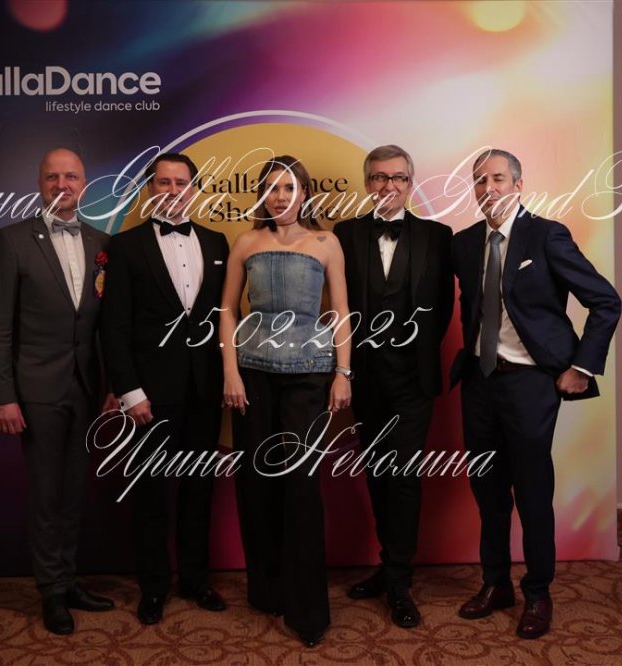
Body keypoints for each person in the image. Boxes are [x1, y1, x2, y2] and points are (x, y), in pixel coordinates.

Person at [450, 149, 622, 639]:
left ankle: (538, 592)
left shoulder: (546, 236)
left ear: (518, 184)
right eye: (479, 180)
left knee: (531, 491)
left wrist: (581, 367)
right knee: (487, 492)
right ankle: (495, 583)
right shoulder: (464, 243)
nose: (488, 189)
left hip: (529, 383)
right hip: (480, 382)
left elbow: (606, 301)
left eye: (498, 179)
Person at [219, 155, 352, 647]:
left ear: (304, 192)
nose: (280, 197)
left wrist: (343, 374)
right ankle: (267, 590)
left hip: (309, 377)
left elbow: (341, 312)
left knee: (301, 488)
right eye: (271, 188)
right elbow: (227, 310)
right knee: (257, 486)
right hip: (252, 377)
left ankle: (308, 610)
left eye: (289, 187)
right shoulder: (246, 242)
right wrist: (230, 371)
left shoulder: (326, 243)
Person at [0, 148, 115, 635]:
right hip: (36, 390)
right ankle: (51, 592)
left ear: (84, 183)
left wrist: (111, 386)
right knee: (46, 493)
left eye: (71, 176)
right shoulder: (12, 241)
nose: (63, 184)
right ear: (39, 183)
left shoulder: (102, 242)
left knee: (73, 490)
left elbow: (104, 327)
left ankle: (69, 579)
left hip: (85, 387)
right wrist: (3, 395)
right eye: (52, 176)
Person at [100, 152, 229, 625]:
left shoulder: (217, 242)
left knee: (199, 490)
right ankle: (153, 587)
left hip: (204, 390)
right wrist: (130, 391)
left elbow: (224, 316)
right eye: (163, 182)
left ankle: (194, 579)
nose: (172, 190)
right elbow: (114, 326)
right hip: (150, 396)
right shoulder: (124, 246)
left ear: (193, 189)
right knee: (151, 493)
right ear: (150, 190)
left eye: (181, 182)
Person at [334, 145, 453, 628]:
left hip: (412, 381)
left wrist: (414, 353)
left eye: (398, 177)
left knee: (403, 476)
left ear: (410, 183)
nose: (389, 186)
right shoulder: (345, 234)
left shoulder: (438, 236)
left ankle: (399, 581)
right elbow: (340, 307)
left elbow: (443, 309)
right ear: (368, 184)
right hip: (363, 378)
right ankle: (389, 567)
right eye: (380, 177)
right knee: (378, 474)